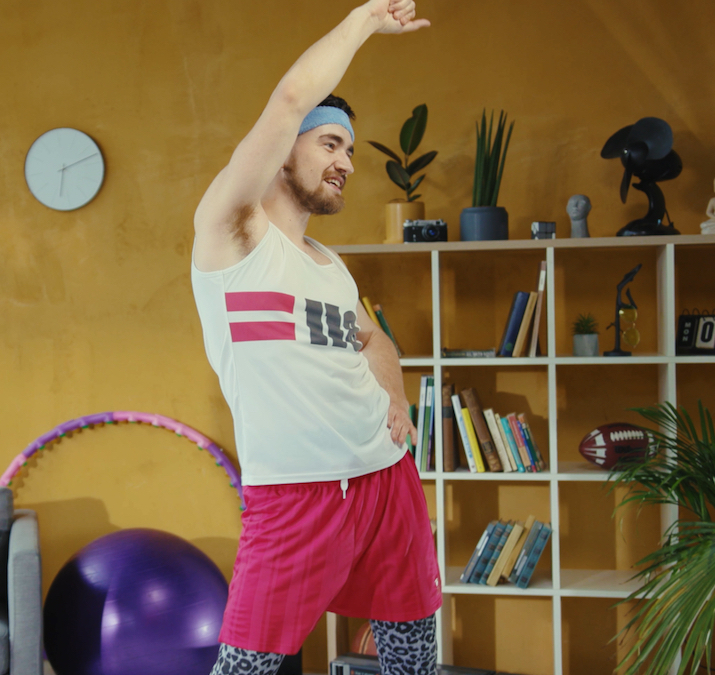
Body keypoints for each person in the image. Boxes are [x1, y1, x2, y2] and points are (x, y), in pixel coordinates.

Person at [190, 3, 439, 674]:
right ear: (283, 151)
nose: (346, 163)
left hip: (385, 476)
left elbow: (375, 342)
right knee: (247, 662)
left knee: (413, 646)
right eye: (330, 144)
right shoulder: (231, 233)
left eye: (350, 150)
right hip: (294, 492)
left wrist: (397, 402)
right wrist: (364, 20)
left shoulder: (331, 267)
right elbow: (293, 95)